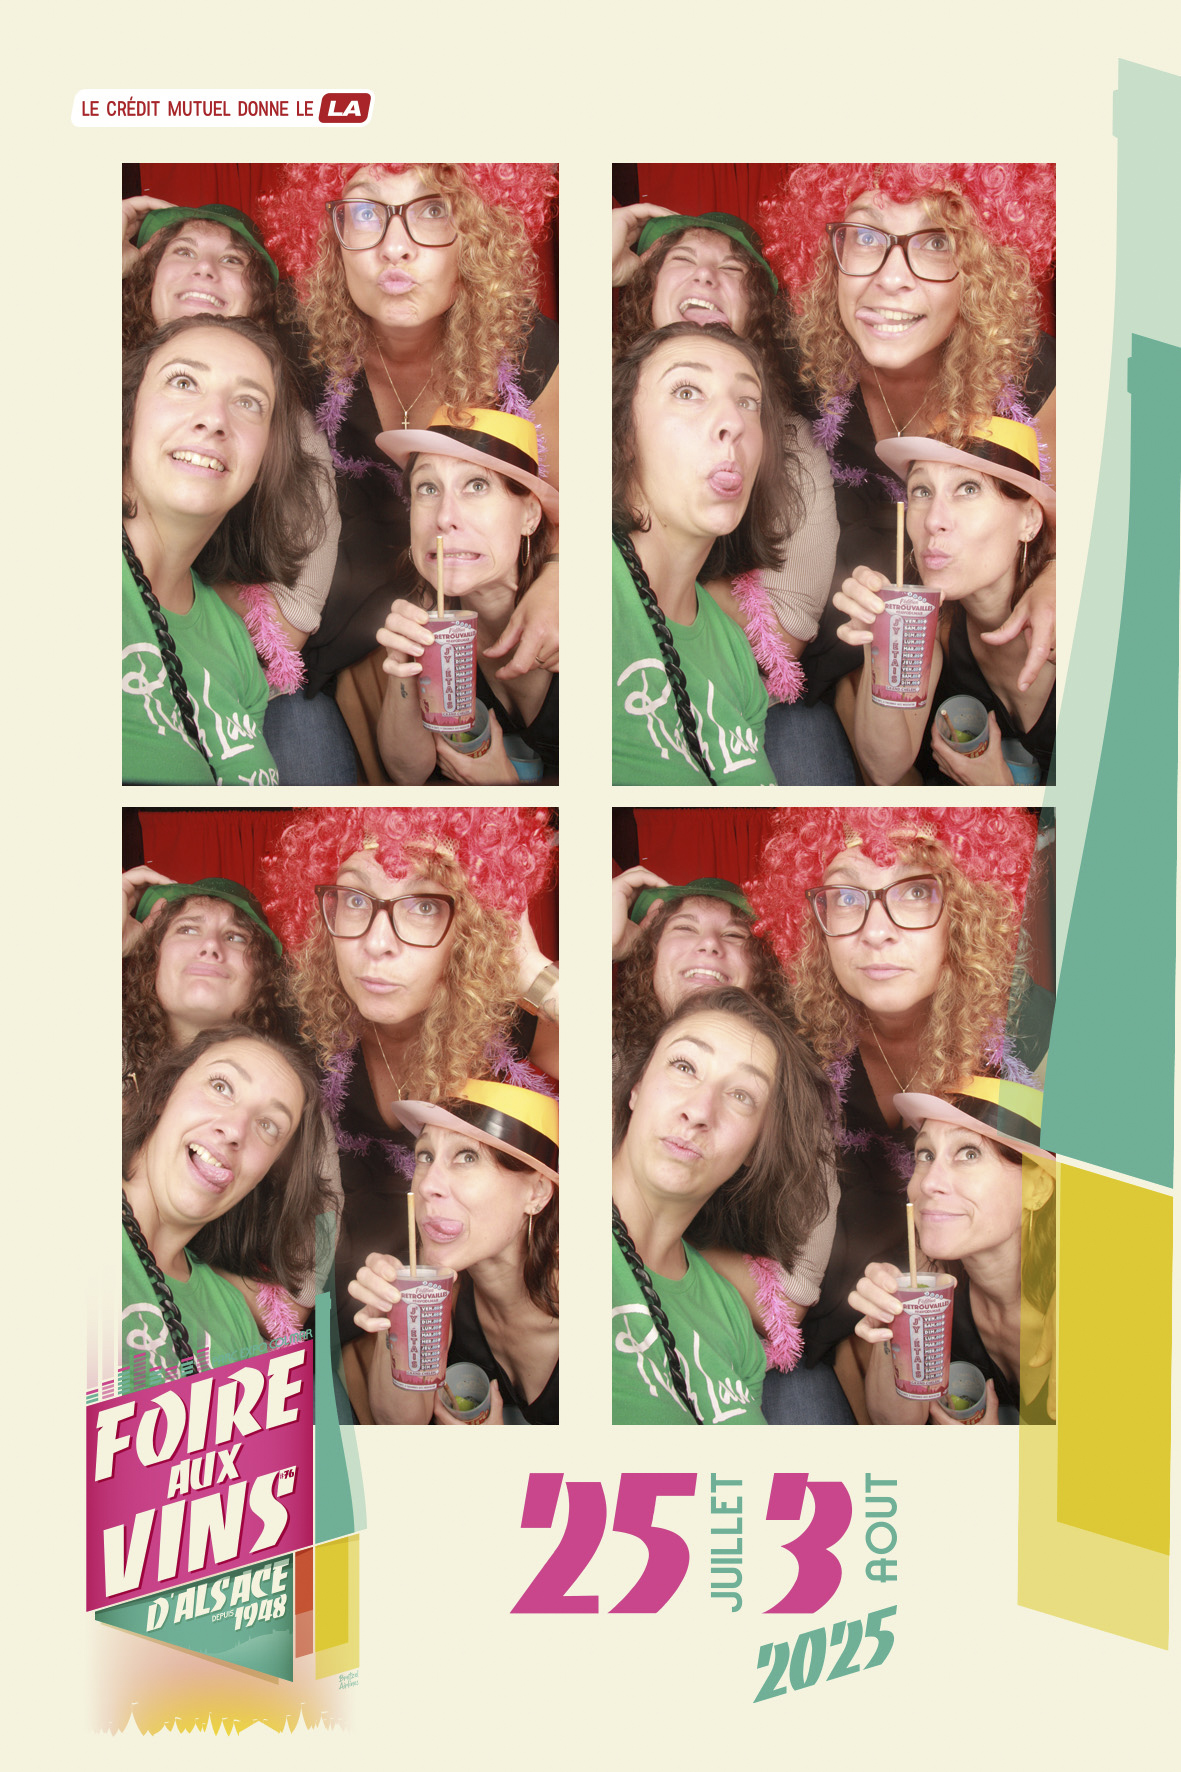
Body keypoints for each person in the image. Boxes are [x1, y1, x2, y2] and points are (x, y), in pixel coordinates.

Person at [257, 163, 560, 783]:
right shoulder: (292, 347)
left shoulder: (536, 355)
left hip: (489, 601)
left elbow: (577, 500)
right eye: (366, 211)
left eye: (432, 210)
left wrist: (561, 576)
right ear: (328, 238)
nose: (394, 247)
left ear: (477, 233)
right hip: (336, 629)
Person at [746, 806, 1047, 1421]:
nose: (876, 932)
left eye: (914, 892)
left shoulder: (1036, 1039)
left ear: (965, 911)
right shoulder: (800, 1043)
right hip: (850, 1315)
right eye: (846, 896)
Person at [262, 807, 559, 1385]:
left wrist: (536, 975)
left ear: (471, 925)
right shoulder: (305, 1028)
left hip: (479, 1319)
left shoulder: (522, 1027)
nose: (377, 944)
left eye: (423, 906)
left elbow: (642, 1087)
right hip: (347, 1309)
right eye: (355, 899)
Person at [760, 164, 1057, 708]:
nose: (891, 278)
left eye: (937, 241)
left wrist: (1063, 575)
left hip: (987, 660)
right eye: (866, 236)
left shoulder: (1033, 374)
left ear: (982, 270)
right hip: (846, 650)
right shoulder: (800, 364)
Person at [122, 197, 343, 770]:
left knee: (306, 731)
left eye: (231, 260)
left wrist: (195, 617)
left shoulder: (291, 435)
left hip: (240, 665)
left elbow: (296, 613)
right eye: (183, 252)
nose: (204, 269)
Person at [611, 988, 835, 1425]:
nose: (699, 1111)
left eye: (741, 1095)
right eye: (684, 1067)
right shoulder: (553, 1243)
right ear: (636, 1087)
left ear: (756, 1147)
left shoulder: (729, 1314)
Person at [612, 324, 795, 784]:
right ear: (624, 435)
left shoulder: (734, 649)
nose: (733, 422)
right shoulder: (581, 590)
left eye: (748, 401)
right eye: (687, 392)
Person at [834, 418, 1056, 784]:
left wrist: (1002, 799)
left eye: (968, 488)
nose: (933, 520)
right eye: (922, 491)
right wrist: (879, 640)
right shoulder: (938, 631)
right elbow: (884, 769)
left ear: (1029, 519)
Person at [120, 1025, 330, 1391]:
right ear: (164, 1093)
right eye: (221, 1087)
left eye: (268, 1125)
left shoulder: (233, 1315)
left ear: (264, 1174)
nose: (235, 1130)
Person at [348, 1080, 558, 1424]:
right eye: (425, 1156)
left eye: (467, 1156)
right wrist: (394, 1320)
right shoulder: (440, 1296)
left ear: (536, 1192)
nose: (427, 1185)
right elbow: (399, 1425)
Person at [849, 1077, 1056, 1424]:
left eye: (969, 1153)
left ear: (1038, 1188)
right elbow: (896, 1426)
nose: (928, 1183)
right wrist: (893, 1326)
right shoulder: (932, 1289)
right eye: (925, 1155)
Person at [370, 408, 559, 783]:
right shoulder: (428, 620)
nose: (443, 517)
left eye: (476, 485)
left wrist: (511, 796)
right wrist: (402, 672)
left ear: (529, 515)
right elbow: (407, 774)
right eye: (428, 488)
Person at [122, 872, 291, 1093]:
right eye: (188, 929)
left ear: (263, 974)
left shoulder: (291, 1091)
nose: (211, 944)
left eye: (235, 937)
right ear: (152, 957)